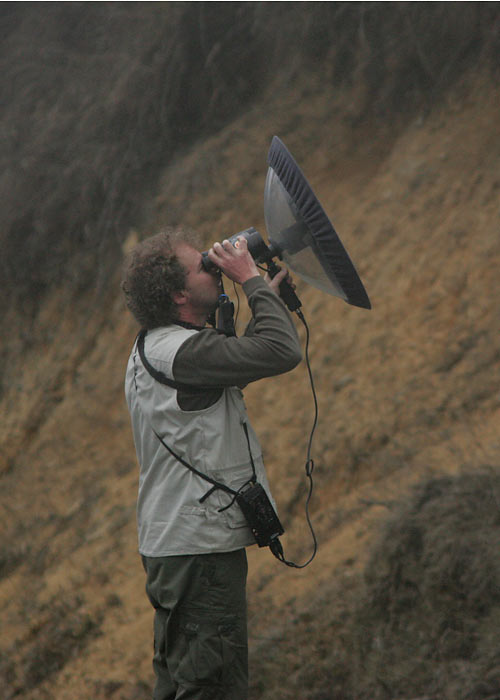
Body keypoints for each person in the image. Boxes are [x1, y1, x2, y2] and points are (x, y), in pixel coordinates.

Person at [121, 226, 302, 699]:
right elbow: (282, 352)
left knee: (183, 684)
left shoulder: (155, 347)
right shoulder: (184, 352)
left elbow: (229, 368)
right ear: (179, 294)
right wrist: (251, 281)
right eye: (204, 265)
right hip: (199, 552)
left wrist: (266, 298)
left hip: (173, 547)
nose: (215, 264)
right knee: (213, 687)